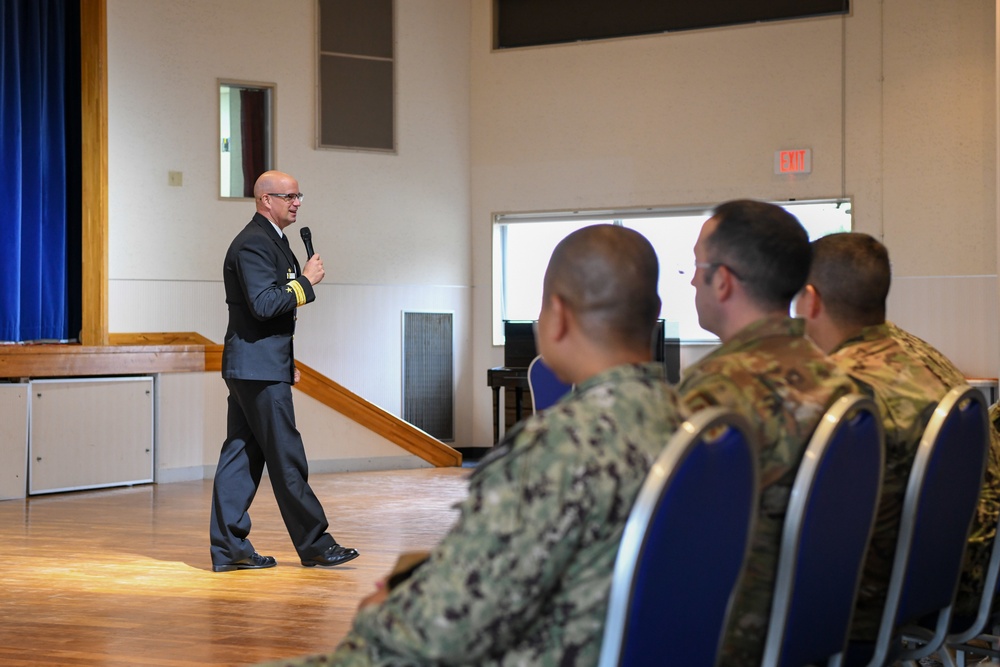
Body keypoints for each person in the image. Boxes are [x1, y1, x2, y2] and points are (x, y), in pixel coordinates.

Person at [262, 224, 684, 666]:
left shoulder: (560, 447)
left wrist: (380, 614)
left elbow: (434, 636)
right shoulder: (691, 422)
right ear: (651, 312)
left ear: (556, 315)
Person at [676, 199, 858, 666]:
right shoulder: (840, 379)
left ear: (723, 280)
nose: (693, 280)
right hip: (820, 620)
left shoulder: (716, 393)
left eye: (698, 266)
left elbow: (669, 537)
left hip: (735, 634)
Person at [794, 231, 1000, 638]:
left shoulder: (842, 386)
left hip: (918, 593)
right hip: (973, 569)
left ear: (811, 298)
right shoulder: (922, 354)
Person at [210, 170, 359, 572]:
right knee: (286, 455)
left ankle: (229, 548)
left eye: (298, 195)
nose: (296, 202)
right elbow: (263, 304)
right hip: (256, 369)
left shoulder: (274, 241)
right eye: (288, 196)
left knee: (240, 457)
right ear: (265, 201)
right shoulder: (253, 244)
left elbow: (273, 316)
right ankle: (314, 543)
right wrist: (306, 283)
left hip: (260, 365)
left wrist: (285, 362)